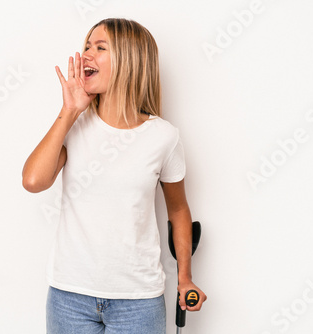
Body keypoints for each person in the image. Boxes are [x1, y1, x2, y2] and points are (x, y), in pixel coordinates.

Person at [22, 18, 206, 334]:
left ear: (129, 61)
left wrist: (185, 277)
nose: (86, 55)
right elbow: (33, 181)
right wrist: (69, 111)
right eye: (86, 46)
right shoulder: (74, 126)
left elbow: (178, 210)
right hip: (69, 297)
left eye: (100, 47)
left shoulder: (163, 137)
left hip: (138, 302)